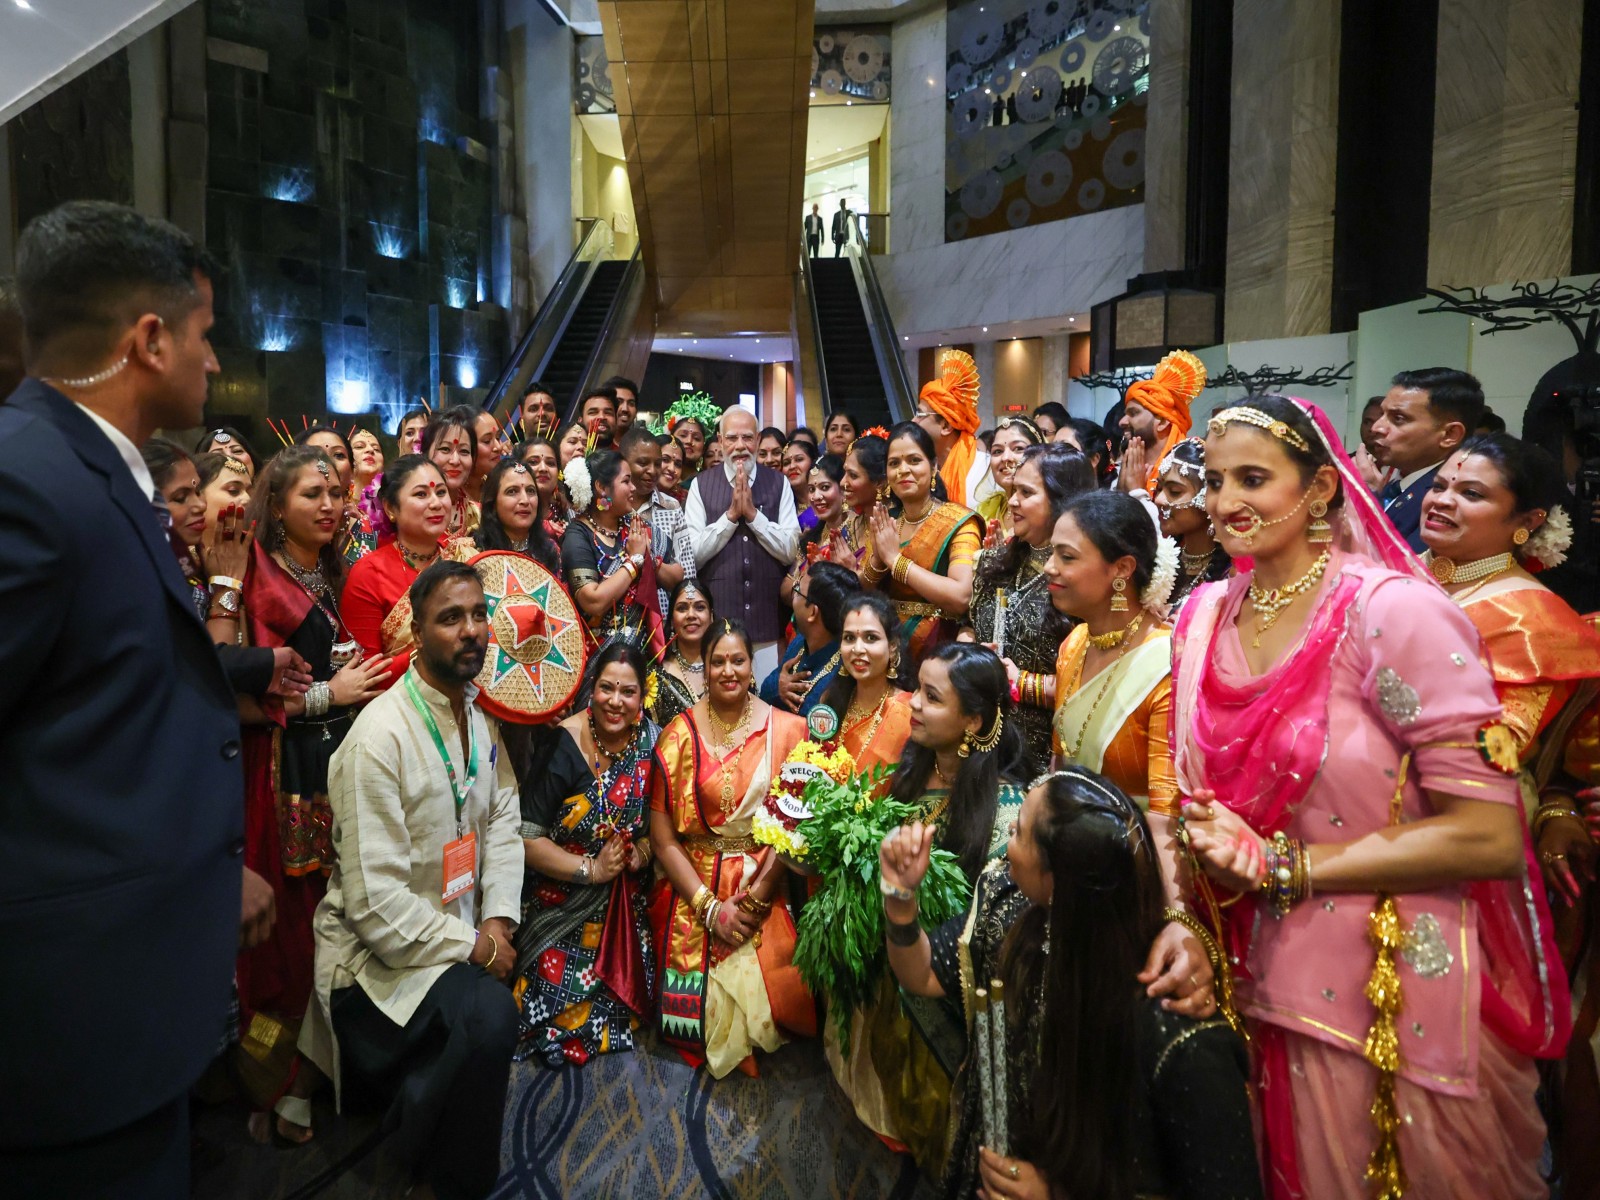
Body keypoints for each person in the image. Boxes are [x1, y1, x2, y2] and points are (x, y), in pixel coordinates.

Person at [1175, 395, 1566, 1198]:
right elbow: (1186, 801)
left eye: (1253, 479)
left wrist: (1283, 866)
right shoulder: (1204, 614)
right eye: (1214, 481)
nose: (1225, 502)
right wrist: (1180, 915)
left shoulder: (1391, 614)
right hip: (1232, 973)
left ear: (1321, 488)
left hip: (1378, 993)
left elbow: (1489, 836)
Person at [0, 200, 253, 1197]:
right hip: (66, 1027)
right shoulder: (29, 481)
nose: (214, 360)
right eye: (204, 332)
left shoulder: (93, 469)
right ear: (149, 340)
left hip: (123, 1001)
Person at [879, 769, 1261, 1200]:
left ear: (1059, 881)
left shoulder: (1175, 1030)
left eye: (1019, 831)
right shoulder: (1014, 915)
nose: (1007, 832)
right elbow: (923, 973)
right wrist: (899, 899)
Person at [301, 561, 522, 1200]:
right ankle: (448, 1183)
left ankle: (418, 1117)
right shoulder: (379, 736)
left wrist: (496, 919)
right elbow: (376, 909)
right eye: (450, 618)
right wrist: (478, 948)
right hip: (376, 966)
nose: (471, 630)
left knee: (495, 989)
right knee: (490, 1015)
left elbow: (503, 816)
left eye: (478, 614)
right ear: (416, 634)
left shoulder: (477, 716)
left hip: (456, 933)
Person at [234, 445, 394, 1144]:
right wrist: (333, 693)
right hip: (282, 774)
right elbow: (235, 696)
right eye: (310, 494)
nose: (328, 505)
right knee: (291, 935)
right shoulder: (256, 579)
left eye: (334, 492)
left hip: (335, 766)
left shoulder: (327, 572)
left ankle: (327, 1073)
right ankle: (276, 1085)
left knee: (341, 919)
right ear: (276, 505)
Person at [845, 644, 1027, 1167]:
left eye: (932, 696)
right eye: (916, 689)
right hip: (899, 942)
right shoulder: (916, 763)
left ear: (973, 721)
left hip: (945, 977)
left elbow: (987, 935)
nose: (914, 704)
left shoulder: (1004, 813)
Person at [1418, 434, 1600, 884]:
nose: (1442, 501)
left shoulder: (1533, 622)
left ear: (1528, 521)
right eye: (1439, 485)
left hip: (1458, 815)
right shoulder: (1392, 570)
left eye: (1471, 493)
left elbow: (1498, 746)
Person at [648, 618, 813, 1076]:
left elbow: (794, 826)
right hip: (694, 879)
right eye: (717, 661)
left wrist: (756, 900)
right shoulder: (677, 734)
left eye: (737, 660)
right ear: (703, 668)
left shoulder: (788, 730)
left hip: (764, 874)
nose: (728, 670)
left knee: (779, 1003)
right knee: (692, 1019)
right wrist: (709, 909)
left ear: (751, 665)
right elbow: (662, 838)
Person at [515, 640, 659, 1066]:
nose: (615, 702)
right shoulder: (563, 743)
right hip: (562, 898)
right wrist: (592, 869)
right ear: (591, 689)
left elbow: (664, 828)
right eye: (606, 688)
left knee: (636, 983)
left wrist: (642, 853)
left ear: (642, 697)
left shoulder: (654, 744)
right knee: (546, 996)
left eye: (628, 692)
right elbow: (527, 838)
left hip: (624, 904)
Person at [968, 445, 1095, 771]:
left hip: (1045, 757)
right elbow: (967, 624)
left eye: (1026, 493)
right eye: (1014, 490)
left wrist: (1020, 682)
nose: (1012, 501)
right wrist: (970, 655)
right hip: (979, 739)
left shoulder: (1084, 582)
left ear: (1062, 500)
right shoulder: (994, 562)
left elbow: (1095, 684)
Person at [684, 406, 801, 679]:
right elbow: (692, 554)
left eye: (747, 437)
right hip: (719, 623)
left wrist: (753, 516)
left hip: (769, 624)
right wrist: (729, 518)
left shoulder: (779, 483)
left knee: (767, 695)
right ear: (720, 440)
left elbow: (791, 550)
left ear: (757, 440)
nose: (740, 446)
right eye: (732, 438)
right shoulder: (700, 485)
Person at [862, 422, 982, 686]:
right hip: (887, 648)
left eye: (914, 460)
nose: (903, 470)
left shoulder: (959, 522)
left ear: (934, 466)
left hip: (938, 652)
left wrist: (896, 561)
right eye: (894, 463)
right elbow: (865, 590)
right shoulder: (887, 520)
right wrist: (878, 560)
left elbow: (961, 596)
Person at [342, 455, 453, 679]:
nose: (436, 503)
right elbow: (365, 675)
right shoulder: (369, 574)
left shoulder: (463, 556)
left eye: (441, 492)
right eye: (421, 494)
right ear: (391, 508)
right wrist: (436, 649)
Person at [1372, 367, 1485, 553]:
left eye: (1398, 418)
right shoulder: (1394, 482)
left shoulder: (1448, 500)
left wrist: (1365, 497)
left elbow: (1402, 564)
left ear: (1450, 434)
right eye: (1381, 415)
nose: (1377, 427)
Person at [562, 448, 658, 650]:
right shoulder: (577, 535)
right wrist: (635, 561)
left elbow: (676, 574)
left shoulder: (632, 526)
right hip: (597, 654)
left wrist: (650, 557)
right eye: (626, 481)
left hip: (638, 650)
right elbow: (593, 602)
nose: (633, 488)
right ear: (601, 487)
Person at [760, 559, 855, 716]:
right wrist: (778, 687)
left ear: (812, 612)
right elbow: (764, 692)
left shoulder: (845, 669)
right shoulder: (800, 642)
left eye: (797, 591)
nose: (792, 597)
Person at [620, 423, 695, 620]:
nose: (653, 471)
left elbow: (687, 573)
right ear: (624, 463)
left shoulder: (671, 507)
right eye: (643, 463)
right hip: (615, 616)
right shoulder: (611, 506)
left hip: (662, 618)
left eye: (657, 463)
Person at [1154, 437, 1231, 610]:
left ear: (1208, 498)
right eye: (1159, 488)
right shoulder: (1157, 560)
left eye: (1174, 491)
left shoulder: (1232, 575)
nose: (1159, 499)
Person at [914, 350, 995, 509]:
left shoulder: (985, 469)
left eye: (919, 414)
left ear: (946, 426)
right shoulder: (923, 468)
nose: (913, 421)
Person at [1118, 349, 1206, 495]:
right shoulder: (1123, 469)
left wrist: (1136, 493)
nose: (1122, 422)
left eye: (1133, 413)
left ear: (1163, 422)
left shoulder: (1189, 466)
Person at [145, 436, 213, 613]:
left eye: (198, 491)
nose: (201, 505)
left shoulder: (192, 563)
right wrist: (228, 587)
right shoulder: (139, 577)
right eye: (181, 498)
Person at [474, 456, 560, 572]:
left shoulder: (550, 551)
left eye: (530, 491)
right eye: (512, 491)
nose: (525, 500)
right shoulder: (476, 551)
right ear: (493, 503)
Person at [655, 579, 714, 727]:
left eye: (700, 607)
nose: (691, 615)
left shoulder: (729, 669)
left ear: (711, 617)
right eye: (682, 609)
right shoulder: (657, 677)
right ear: (672, 620)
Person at [976, 415, 1044, 539]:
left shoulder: (1045, 510)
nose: (1005, 457)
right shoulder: (987, 509)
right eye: (997, 451)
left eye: (1018, 449)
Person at [422, 407, 481, 538]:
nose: (455, 460)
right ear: (425, 454)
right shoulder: (413, 512)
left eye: (464, 451)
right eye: (445, 449)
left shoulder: (479, 516)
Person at [840, 431, 889, 571]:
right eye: (845, 473)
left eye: (853, 475)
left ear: (879, 482)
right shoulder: (850, 526)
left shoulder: (894, 525)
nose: (842, 482)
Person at [515, 435, 572, 543]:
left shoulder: (567, 510)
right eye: (533, 462)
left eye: (550, 463)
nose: (543, 469)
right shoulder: (509, 509)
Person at [466, 408, 506, 504]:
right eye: (487, 441)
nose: (498, 447)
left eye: (498, 437)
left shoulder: (496, 486)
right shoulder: (450, 495)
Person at [780, 435, 819, 529]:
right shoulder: (783, 508)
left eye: (799, 459)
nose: (792, 466)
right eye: (786, 463)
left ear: (813, 462)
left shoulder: (830, 497)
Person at [350, 427, 384, 497]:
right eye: (359, 446)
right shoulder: (336, 500)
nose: (370, 449)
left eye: (376, 449)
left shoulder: (392, 500)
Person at [658, 435, 688, 503]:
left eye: (678, 465)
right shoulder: (635, 493)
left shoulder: (687, 500)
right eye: (665, 460)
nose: (672, 469)